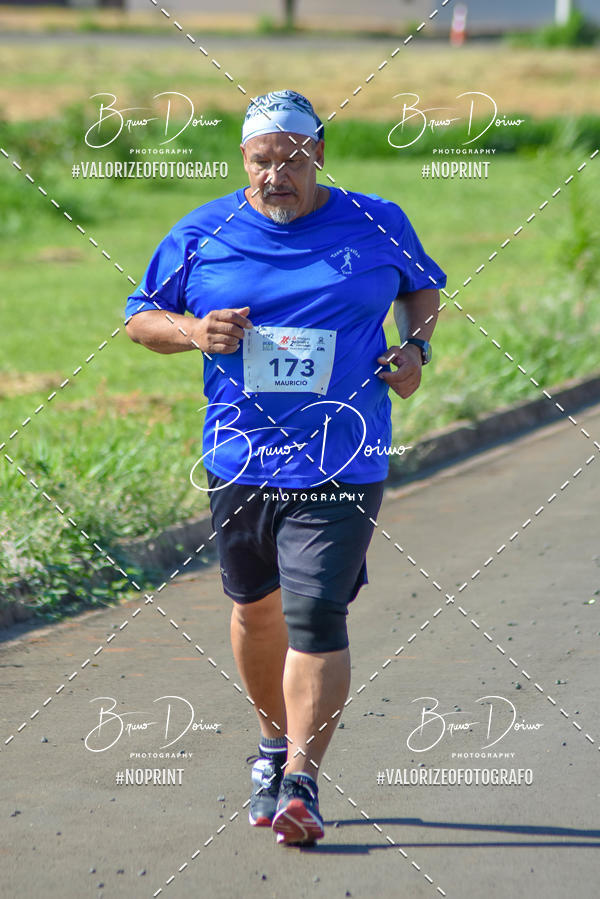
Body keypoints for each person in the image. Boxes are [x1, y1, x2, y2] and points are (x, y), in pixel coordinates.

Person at [124, 89, 446, 846]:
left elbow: (422, 287)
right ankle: (272, 746)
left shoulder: (376, 220)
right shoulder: (203, 232)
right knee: (254, 608)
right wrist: (195, 330)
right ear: (245, 161)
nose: (276, 176)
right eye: (262, 161)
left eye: (292, 159)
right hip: (241, 457)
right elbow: (140, 318)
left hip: (344, 454)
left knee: (315, 614)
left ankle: (301, 779)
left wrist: (415, 351)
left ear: (320, 154)